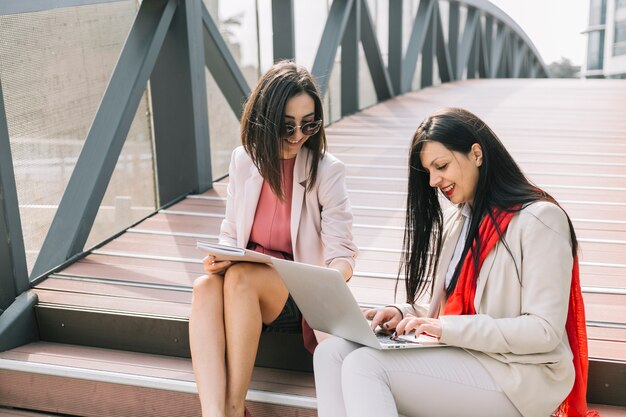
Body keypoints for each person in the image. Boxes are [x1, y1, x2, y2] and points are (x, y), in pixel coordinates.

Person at [313, 108, 597, 417]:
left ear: (476, 154)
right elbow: (447, 307)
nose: (434, 181)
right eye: (429, 172)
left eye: (441, 166)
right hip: (461, 355)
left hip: (518, 374)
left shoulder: (540, 220)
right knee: (331, 352)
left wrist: (445, 328)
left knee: (365, 365)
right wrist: (402, 313)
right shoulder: (458, 220)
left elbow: (543, 330)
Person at [189, 60, 358, 417]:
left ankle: (235, 408)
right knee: (204, 287)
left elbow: (343, 255)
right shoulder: (243, 160)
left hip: (299, 294)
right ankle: (213, 414)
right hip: (245, 283)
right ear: (263, 121)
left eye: (309, 124)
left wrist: (329, 275)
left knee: (240, 277)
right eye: (287, 126)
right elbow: (231, 233)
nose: (298, 136)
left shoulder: (327, 171)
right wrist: (219, 256)